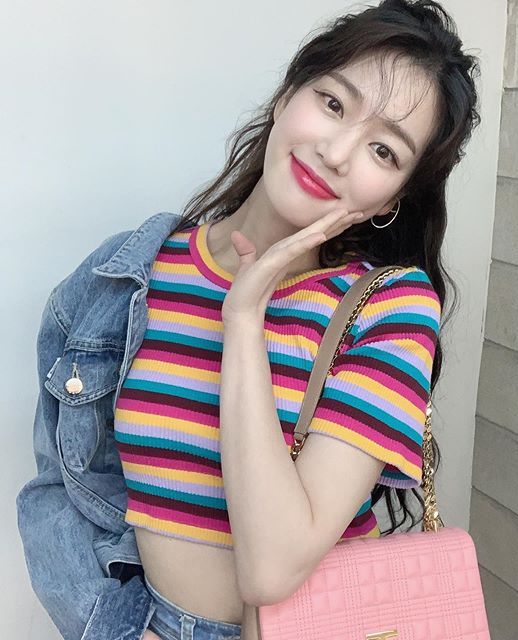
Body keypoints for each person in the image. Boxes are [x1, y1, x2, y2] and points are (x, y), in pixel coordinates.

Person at [16, 1, 480, 638]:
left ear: (393, 199)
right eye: (333, 103)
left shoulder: (390, 307)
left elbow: (271, 568)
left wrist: (243, 319)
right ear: (288, 95)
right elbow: (58, 490)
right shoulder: (124, 276)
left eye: (383, 150)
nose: (337, 152)